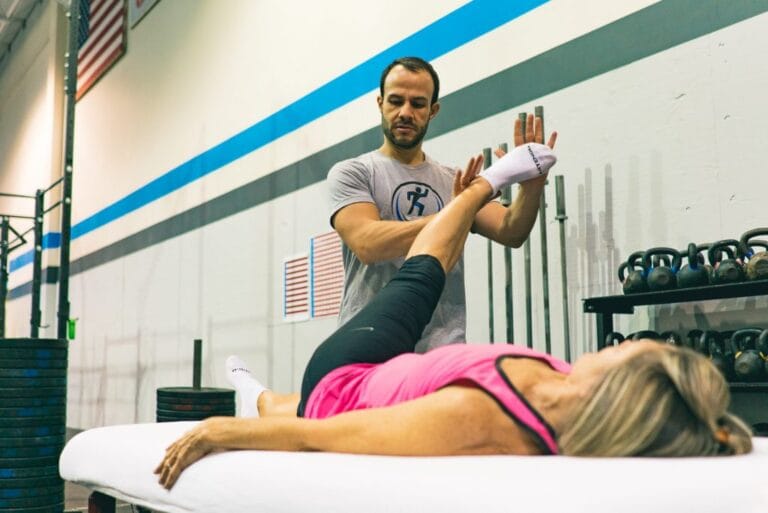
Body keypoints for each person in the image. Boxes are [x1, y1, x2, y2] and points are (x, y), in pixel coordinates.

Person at [155, 121, 752, 490]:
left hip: (349, 371)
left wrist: (221, 432)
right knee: (284, 400)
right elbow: (364, 242)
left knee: (421, 275)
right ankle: (256, 394)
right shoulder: (572, 390)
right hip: (401, 364)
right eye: (396, 100)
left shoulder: (483, 418)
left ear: (618, 387)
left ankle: (487, 182)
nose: (628, 344)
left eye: (637, 351)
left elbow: (326, 433)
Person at [328, 56, 550, 351]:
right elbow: (368, 244)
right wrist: (459, 209)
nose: (405, 112)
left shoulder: (453, 181)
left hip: (441, 349)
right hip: (370, 345)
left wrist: (532, 187)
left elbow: (512, 231)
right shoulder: (353, 172)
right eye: (396, 101)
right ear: (380, 103)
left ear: (433, 111)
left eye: (418, 104)